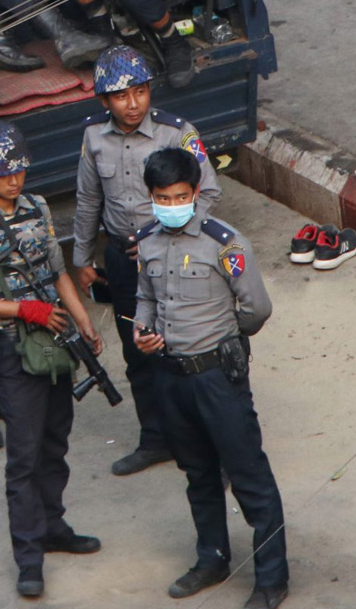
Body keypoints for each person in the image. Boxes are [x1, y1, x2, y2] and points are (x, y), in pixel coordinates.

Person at [0, 122, 104, 598]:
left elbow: (57, 273)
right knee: (24, 455)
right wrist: (23, 310)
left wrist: (84, 320)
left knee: (56, 440)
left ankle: (54, 526)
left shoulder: (36, 208)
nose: (14, 180)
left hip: (55, 340)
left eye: (18, 170)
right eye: (3, 173)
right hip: (13, 347)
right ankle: (29, 557)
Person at [130, 147, 288, 609]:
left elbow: (256, 308)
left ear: (196, 193)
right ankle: (212, 560)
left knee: (249, 478)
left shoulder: (226, 243)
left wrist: (225, 339)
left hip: (218, 378)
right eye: (163, 196)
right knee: (198, 474)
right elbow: (145, 296)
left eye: (181, 195)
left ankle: (271, 581)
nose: (172, 204)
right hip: (172, 379)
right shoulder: (147, 241)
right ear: (151, 197)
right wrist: (143, 331)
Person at [70, 45, 221, 477]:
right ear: (104, 101)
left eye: (139, 92)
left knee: (187, 350)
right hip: (121, 260)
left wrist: (160, 235)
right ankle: (155, 439)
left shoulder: (177, 133)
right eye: (121, 96)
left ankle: (207, 444)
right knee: (139, 353)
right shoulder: (93, 137)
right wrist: (82, 257)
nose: (132, 103)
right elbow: (87, 199)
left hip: (177, 257)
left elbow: (208, 194)